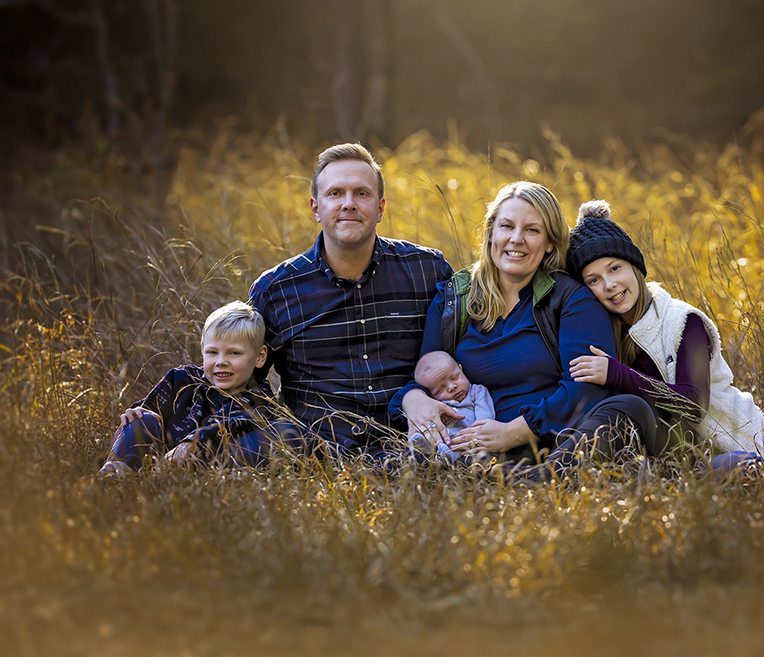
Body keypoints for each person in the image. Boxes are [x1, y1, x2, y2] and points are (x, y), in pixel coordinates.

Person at [566, 200, 764, 473]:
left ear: (635, 266)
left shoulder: (682, 321)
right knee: (743, 471)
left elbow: (694, 404)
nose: (609, 284)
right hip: (696, 463)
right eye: (594, 279)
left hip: (750, 436)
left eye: (615, 268)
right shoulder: (606, 334)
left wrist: (616, 373)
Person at [391, 182, 658, 480]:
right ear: (491, 232)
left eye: (532, 230)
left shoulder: (571, 298)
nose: (516, 239)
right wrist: (412, 399)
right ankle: (513, 479)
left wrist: (514, 431)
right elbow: (426, 375)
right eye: (506, 226)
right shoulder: (455, 298)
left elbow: (588, 389)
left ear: (549, 244)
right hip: (475, 445)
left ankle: (534, 481)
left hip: (558, 442)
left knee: (628, 409)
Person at [249, 143, 453, 456]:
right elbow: (246, 383)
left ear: (381, 207)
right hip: (314, 454)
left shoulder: (428, 271)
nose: (349, 204)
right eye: (335, 194)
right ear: (316, 209)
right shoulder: (276, 290)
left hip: (414, 445)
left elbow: (466, 357)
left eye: (361, 193)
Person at [98, 301, 297, 475]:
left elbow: (227, 424)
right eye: (212, 352)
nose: (221, 362)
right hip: (158, 454)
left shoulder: (259, 397)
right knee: (142, 417)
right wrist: (136, 413)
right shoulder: (182, 379)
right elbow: (150, 408)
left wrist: (191, 443)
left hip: (201, 462)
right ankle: (118, 468)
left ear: (260, 357)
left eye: (234, 353)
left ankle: (156, 479)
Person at [408, 350, 494, 461]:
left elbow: (485, 413)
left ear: (460, 368)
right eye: (440, 389)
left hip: (468, 437)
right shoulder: (437, 402)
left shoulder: (476, 391)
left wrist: (478, 432)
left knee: (457, 448)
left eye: (454, 378)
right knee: (429, 433)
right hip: (441, 437)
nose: (452, 387)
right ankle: (422, 444)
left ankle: (446, 457)